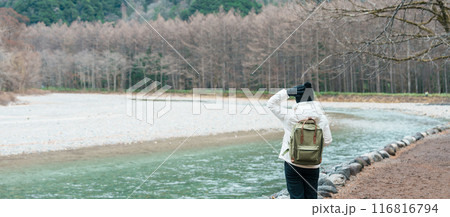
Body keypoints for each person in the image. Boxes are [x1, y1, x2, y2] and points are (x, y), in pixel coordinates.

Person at [267, 82, 332, 199]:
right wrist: (311, 147)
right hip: (313, 165)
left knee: (296, 197)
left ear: (297, 100)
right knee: (311, 196)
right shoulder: (322, 118)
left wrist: (287, 92)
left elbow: (271, 104)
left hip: (292, 162)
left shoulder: (289, 115)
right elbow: (327, 141)